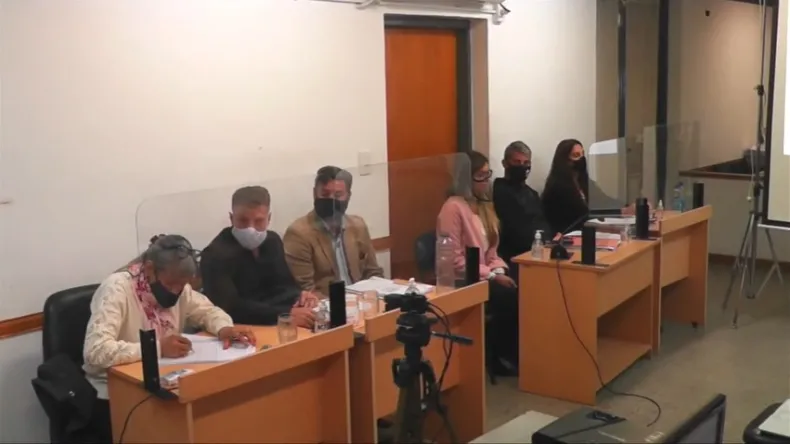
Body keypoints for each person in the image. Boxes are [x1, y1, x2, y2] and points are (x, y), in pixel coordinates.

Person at [83, 235, 256, 443]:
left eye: (182, 285)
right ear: (150, 269)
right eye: (171, 284)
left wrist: (224, 328)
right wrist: (156, 348)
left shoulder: (181, 288)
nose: (176, 291)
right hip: (116, 395)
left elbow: (208, 312)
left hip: (166, 384)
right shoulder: (117, 289)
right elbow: (95, 351)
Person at [436, 150, 519, 373]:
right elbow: (454, 260)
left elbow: (492, 252)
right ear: (466, 178)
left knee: (521, 283)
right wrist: (491, 276)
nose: (486, 181)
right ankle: (501, 358)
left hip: (483, 274)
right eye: (480, 176)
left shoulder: (484, 206)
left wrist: (499, 270)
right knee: (508, 297)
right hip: (463, 279)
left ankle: (516, 354)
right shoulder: (453, 207)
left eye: (487, 174)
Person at [200, 186, 319, 329]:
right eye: (243, 220)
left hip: (278, 320)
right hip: (241, 326)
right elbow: (230, 307)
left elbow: (285, 286)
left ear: (269, 219)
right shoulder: (215, 255)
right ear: (231, 218)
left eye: (259, 221)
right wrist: (285, 314)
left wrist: (301, 296)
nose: (251, 228)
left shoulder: (273, 241)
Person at [284, 166, 383, 296]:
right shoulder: (298, 233)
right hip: (327, 304)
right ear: (314, 194)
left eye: (338, 195)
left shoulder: (358, 226)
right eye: (325, 194)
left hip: (361, 302)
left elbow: (373, 273)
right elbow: (306, 291)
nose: (331, 200)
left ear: (348, 196)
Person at [493, 141, 557, 273]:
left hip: (539, 254)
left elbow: (542, 222)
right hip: (512, 258)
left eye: (526, 163)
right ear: (505, 163)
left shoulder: (532, 194)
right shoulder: (498, 190)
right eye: (517, 162)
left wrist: (551, 239)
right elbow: (515, 228)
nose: (522, 166)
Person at [541, 139, 628, 234]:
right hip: (568, 235)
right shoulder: (557, 188)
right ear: (565, 160)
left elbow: (603, 200)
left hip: (586, 231)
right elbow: (581, 215)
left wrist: (624, 207)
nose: (581, 159)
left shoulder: (585, 182)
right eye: (576, 155)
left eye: (582, 154)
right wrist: (617, 212)